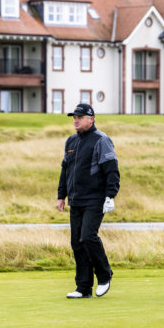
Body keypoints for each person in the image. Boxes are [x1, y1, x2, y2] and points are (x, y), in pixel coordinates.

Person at [56, 103, 120, 299]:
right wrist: (61, 195)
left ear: (91, 119)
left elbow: (111, 170)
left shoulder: (101, 140)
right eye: (74, 117)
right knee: (77, 243)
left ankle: (104, 275)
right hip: (76, 200)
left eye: (80, 117)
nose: (75, 120)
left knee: (88, 237)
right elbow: (65, 171)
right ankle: (83, 288)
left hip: (95, 199)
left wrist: (110, 195)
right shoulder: (71, 142)